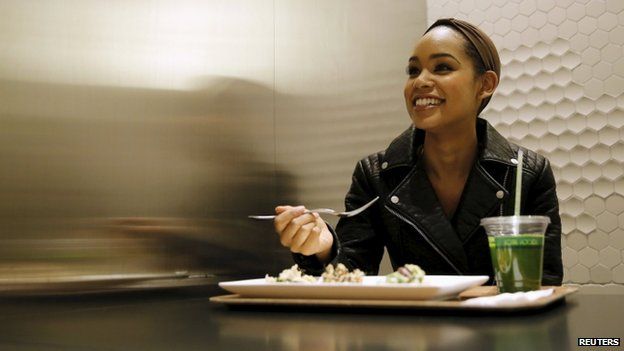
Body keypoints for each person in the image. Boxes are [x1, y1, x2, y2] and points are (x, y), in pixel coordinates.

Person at [273, 18, 563, 285]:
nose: (420, 81)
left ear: (485, 84)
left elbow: (544, 283)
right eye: (413, 70)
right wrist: (323, 248)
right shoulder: (375, 175)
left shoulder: (527, 173)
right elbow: (350, 275)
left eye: (442, 68)